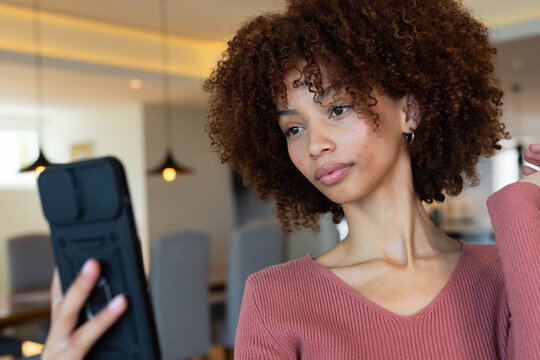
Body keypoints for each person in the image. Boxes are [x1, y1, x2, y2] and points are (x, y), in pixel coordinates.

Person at [41, 0, 540, 359]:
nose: (313, 144)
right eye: (293, 128)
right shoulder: (276, 297)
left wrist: (525, 204)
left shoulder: (505, 274)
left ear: (409, 110)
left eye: (338, 108)